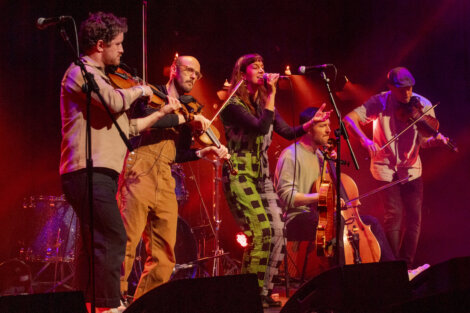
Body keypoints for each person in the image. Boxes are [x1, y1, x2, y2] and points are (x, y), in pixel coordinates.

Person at [60, 12, 178, 313]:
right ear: (100, 45)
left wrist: (159, 111)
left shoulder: (98, 78)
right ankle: (109, 306)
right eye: (118, 44)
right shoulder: (79, 72)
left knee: (93, 245)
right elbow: (114, 102)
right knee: (114, 236)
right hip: (87, 171)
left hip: (100, 173)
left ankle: (89, 304)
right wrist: (141, 89)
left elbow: (128, 128)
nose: (122, 51)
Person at [117, 55, 229, 301]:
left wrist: (202, 151)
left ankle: (143, 304)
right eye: (189, 70)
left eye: (197, 74)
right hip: (139, 169)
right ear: (174, 70)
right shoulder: (150, 94)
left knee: (165, 255)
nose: (193, 77)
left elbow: (176, 153)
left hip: (165, 176)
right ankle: (113, 302)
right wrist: (188, 117)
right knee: (125, 244)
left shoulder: (189, 106)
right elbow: (146, 124)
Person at [220, 53, 320, 308]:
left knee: (277, 231)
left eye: (263, 66)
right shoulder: (233, 104)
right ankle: (245, 294)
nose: (262, 69)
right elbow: (261, 127)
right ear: (243, 74)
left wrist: (310, 125)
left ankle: (262, 290)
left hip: (261, 177)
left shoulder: (264, 103)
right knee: (260, 231)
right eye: (256, 66)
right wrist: (273, 94)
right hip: (239, 174)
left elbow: (286, 132)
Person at [343, 67, 448, 268]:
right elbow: (350, 119)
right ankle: (393, 266)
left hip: (411, 169)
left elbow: (425, 141)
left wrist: (437, 141)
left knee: (414, 219)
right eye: (401, 90)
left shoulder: (422, 104)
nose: (407, 94)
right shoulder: (380, 102)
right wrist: (364, 140)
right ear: (390, 87)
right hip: (384, 168)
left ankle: (406, 265)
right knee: (394, 215)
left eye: (409, 89)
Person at [274, 106, 396, 267]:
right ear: (309, 129)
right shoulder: (291, 155)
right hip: (295, 218)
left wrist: (330, 165)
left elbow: (327, 188)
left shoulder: (320, 155)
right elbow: (287, 197)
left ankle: (392, 271)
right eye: (322, 126)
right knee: (335, 221)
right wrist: (325, 197)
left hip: (322, 215)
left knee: (371, 222)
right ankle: (338, 272)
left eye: (328, 125)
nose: (328, 130)